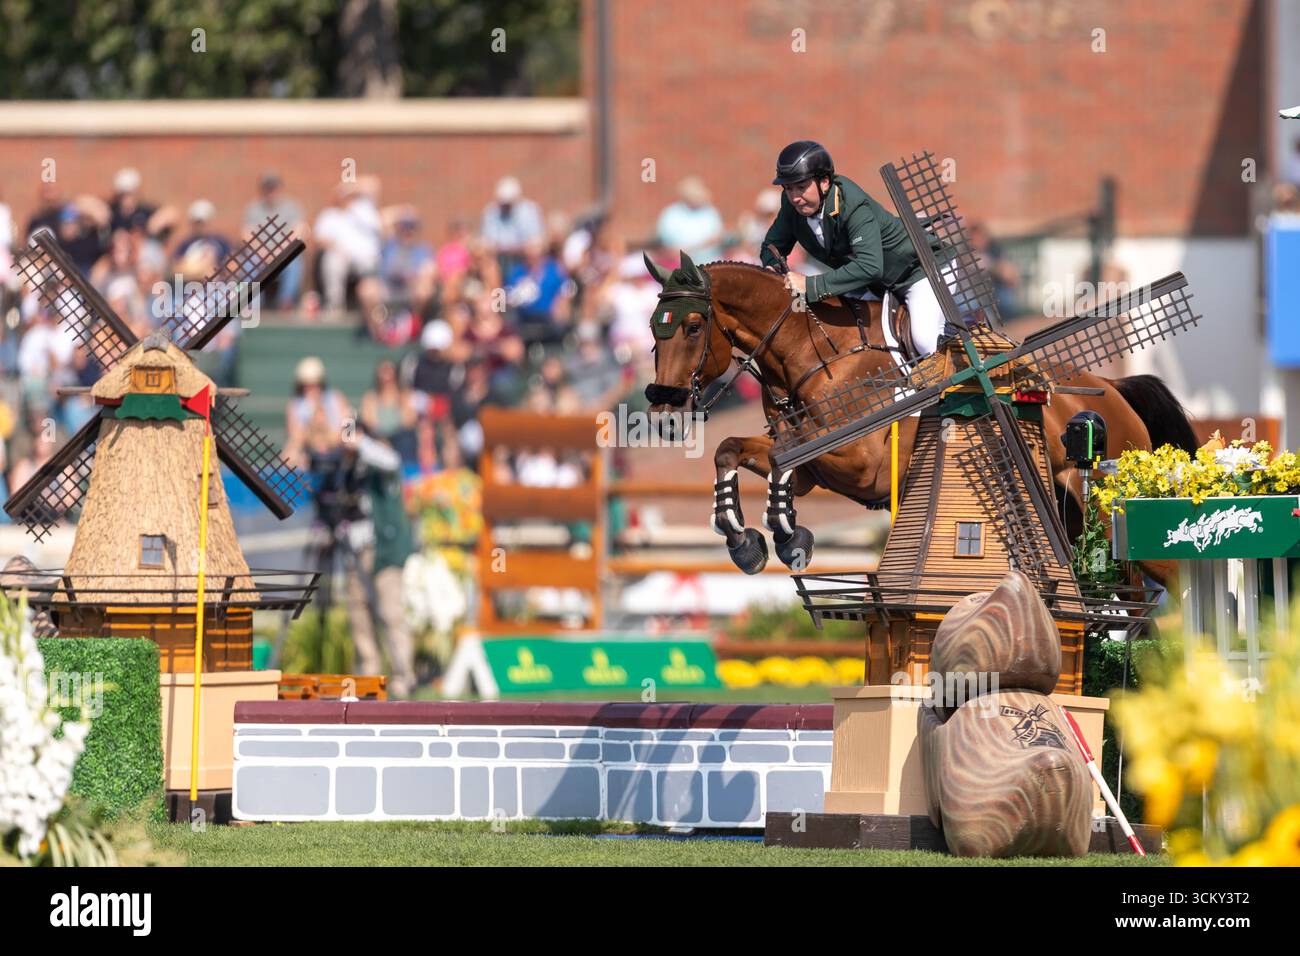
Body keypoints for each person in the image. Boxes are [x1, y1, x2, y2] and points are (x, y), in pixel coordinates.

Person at [759, 140, 951, 358]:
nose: (794, 197)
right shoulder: (792, 205)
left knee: (925, 341)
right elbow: (772, 246)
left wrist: (811, 285)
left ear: (824, 182)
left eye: (801, 187)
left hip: (918, 271)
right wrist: (775, 271)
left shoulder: (852, 205)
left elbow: (870, 266)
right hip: (876, 286)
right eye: (788, 188)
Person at [656, 176, 724, 264]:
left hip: (709, 262)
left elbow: (717, 237)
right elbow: (666, 244)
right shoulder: (671, 214)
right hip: (680, 264)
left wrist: (696, 247)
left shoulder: (710, 212)